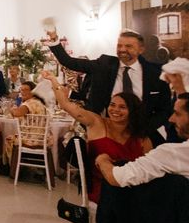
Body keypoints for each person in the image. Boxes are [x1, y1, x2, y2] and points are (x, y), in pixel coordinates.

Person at [46, 29, 171, 144]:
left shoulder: (155, 73)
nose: (122, 49)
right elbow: (69, 62)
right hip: (109, 133)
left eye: (128, 46)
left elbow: (165, 109)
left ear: (141, 49)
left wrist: (144, 130)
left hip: (142, 134)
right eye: (119, 45)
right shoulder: (104, 64)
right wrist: (54, 39)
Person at [43, 72, 151, 203]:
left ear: (133, 111)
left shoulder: (141, 138)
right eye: (112, 105)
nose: (115, 110)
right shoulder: (97, 123)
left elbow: (148, 170)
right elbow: (66, 104)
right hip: (102, 192)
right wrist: (53, 80)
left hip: (134, 192)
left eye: (122, 107)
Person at [96, 93, 189, 187]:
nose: (171, 119)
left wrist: (102, 161)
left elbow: (119, 177)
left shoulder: (172, 152)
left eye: (177, 114)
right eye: (112, 105)